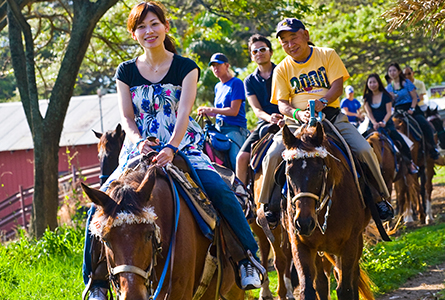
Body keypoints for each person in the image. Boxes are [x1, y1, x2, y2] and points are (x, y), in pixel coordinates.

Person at [82, 3, 262, 299]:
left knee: (220, 191)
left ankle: (247, 257)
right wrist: (138, 140)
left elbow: (183, 112)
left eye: (154, 24)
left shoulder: (185, 67)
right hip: (137, 149)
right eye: (141, 26)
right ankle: (97, 281)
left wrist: (171, 147)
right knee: (97, 208)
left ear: (165, 26)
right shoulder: (126, 71)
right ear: (134, 33)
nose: (148, 31)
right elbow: (127, 116)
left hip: (182, 145)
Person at [257, 17, 393, 224]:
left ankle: (380, 197)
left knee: (364, 149)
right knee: (272, 155)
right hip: (296, 122)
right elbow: (282, 104)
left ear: (306, 35)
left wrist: (323, 101)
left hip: (330, 117)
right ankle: (269, 205)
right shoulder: (281, 69)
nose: (290, 45)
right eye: (284, 41)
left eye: (293, 38)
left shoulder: (327, 55)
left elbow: (337, 87)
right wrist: (296, 114)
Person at [235, 34, 283, 185]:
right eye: (255, 51)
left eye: (263, 49)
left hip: (287, 119)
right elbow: (256, 109)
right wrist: (270, 118)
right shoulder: (249, 80)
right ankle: (241, 198)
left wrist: (283, 116)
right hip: (265, 122)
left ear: (271, 52)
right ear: (251, 56)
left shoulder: (282, 71)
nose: (259, 53)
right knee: (241, 158)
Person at [197, 53, 249, 171]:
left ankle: (244, 187)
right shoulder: (218, 86)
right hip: (218, 129)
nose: (216, 68)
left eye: (218, 65)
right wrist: (207, 113)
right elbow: (220, 112)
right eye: (213, 66)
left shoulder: (236, 83)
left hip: (234, 130)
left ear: (227, 66)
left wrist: (210, 109)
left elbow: (233, 111)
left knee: (235, 160)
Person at [363, 73, 418, 174]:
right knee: (361, 142)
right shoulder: (366, 97)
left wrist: (384, 121)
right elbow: (369, 112)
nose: (372, 84)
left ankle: (410, 163)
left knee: (401, 141)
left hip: (387, 124)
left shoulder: (386, 96)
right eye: (370, 82)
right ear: (367, 84)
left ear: (378, 83)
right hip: (373, 125)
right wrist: (374, 123)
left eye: (374, 82)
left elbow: (389, 111)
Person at [386, 62, 441, 162]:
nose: (392, 73)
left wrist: (411, 109)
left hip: (412, 108)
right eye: (390, 71)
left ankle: (433, 149)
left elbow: (415, 97)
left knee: (424, 124)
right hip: (398, 110)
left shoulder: (407, 83)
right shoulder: (388, 87)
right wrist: (392, 99)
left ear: (398, 71)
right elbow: (389, 104)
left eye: (394, 70)